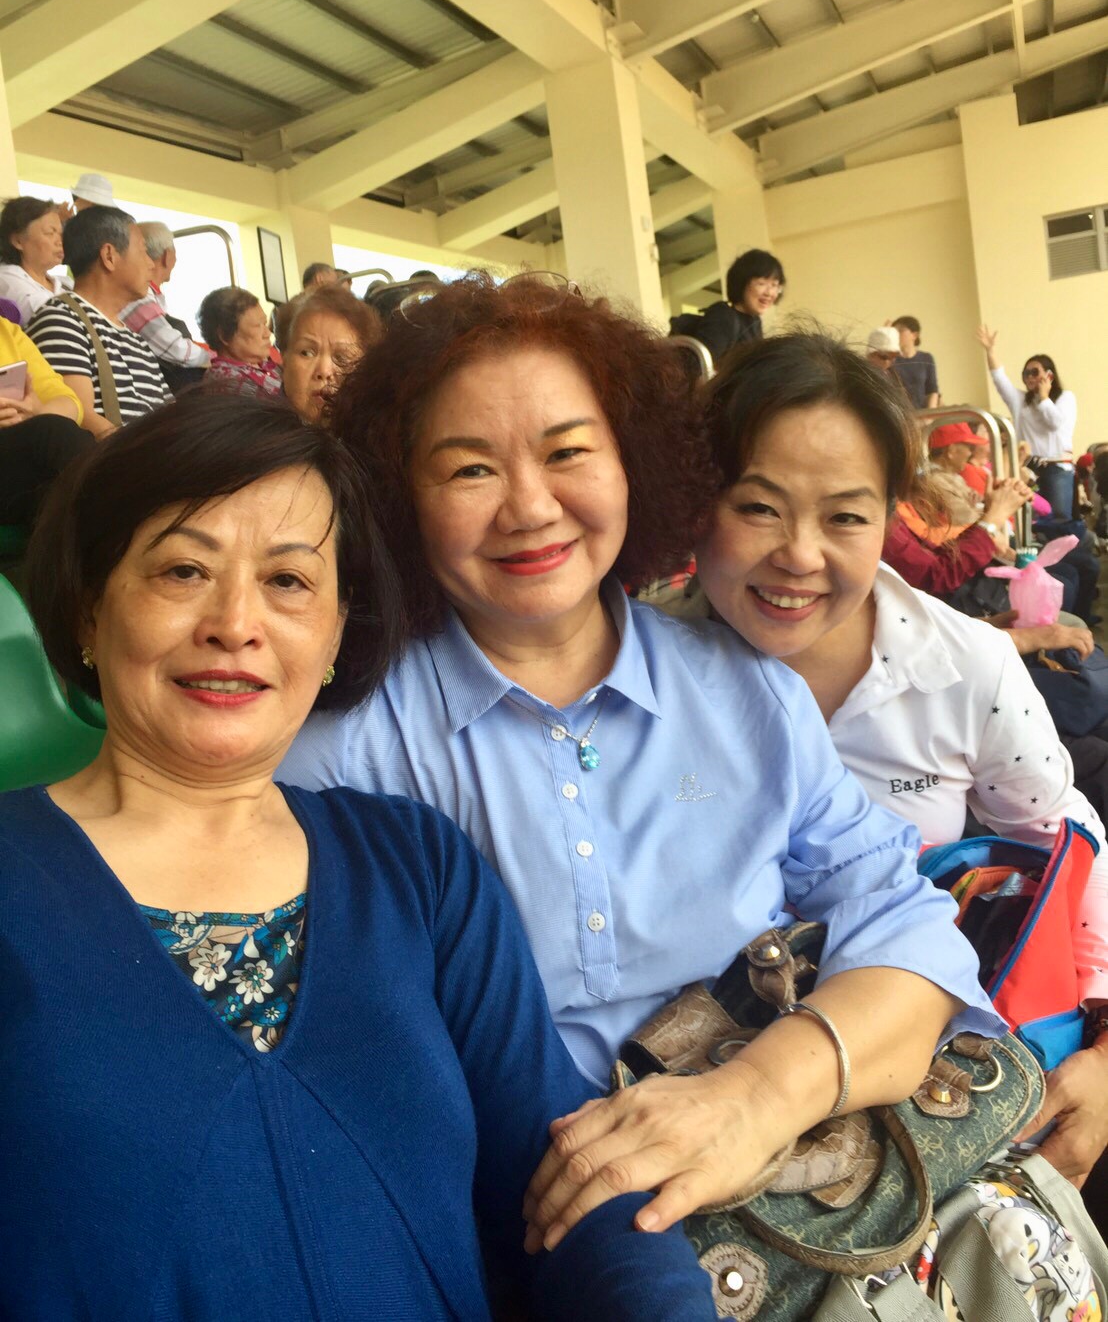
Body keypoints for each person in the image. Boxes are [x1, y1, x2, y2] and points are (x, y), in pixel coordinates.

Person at [280, 271, 1003, 1250]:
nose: (530, 507)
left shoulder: (748, 696)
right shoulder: (342, 753)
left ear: (634, 463)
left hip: (788, 1209)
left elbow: (907, 925)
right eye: (469, 469)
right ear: (401, 496)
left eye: (568, 452)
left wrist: (754, 1096)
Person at [0, 391, 716, 1321]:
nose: (236, 623)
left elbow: (570, 1177)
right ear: (88, 607)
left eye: (289, 582)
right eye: (183, 570)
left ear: (338, 630)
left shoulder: (416, 869)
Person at [693, 331, 1108, 1186]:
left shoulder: (963, 667)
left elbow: (1066, 836)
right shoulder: (632, 677)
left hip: (938, 1086)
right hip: (716, 1096)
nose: (799, 554)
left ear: (893, 517)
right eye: (759, 507)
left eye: (845, 516)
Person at [25, 206, 170, 436]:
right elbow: (80, 417)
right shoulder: (61, 320)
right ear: (109, 256)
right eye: (143, 251)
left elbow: (171, 415)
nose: (151, 264)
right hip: (117, 456)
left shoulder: (137, 341)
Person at [0, 311, 92, 526]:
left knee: (63, 437)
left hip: (19, 451)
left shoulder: (7, 331)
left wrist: (35, 410)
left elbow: (70, 402)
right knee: (53, 435)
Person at [976, 326, 1077, 519]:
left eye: (1035, 372)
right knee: (1031, 519)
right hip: (1027, 469)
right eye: (1026, 373)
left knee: (1058, 519)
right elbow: (999, 378)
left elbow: (1055, 423)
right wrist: (990, 350)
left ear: (1049, 375)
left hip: (1057, 468)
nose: (1030, 377)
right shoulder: (1020, 401)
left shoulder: (1065, 397)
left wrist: (1044, 397)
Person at [120, 222, 211, 385]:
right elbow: (176, 349)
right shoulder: (138, 298)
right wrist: (222, 358)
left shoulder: (149, 296)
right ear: (167, 255)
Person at [278, 285, 382, 425]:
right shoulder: (259, 434)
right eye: (307, 353)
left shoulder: (381, 432)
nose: (324, 371)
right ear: (284, 360)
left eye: (341, 358)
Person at [681, 247, 784, 365]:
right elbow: (699, 367)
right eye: (761, 283)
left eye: (775, 285)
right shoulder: (723, 316)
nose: (769, 293)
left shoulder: (755, 321)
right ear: (741, 283)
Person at [199, 286, 283, 398]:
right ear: (225, 335)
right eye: (257, 326)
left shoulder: (263, 364)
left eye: (264, 324)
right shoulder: (225, 379)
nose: (267, 333)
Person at [0, 196, 66, 324]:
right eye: (50, 233)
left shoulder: (62, 284)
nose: (60, 242)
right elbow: (52, 319)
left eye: (60, 234)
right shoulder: (7, 280)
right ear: (18, 241)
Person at [891, 315, 939, 409]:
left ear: (914, 335)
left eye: (900, 330)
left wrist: (931, 414)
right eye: (894, 331)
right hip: (899, 413)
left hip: (923, 412)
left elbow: (932, 389)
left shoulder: (926, 358)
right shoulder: (890, 359)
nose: (896, 335)